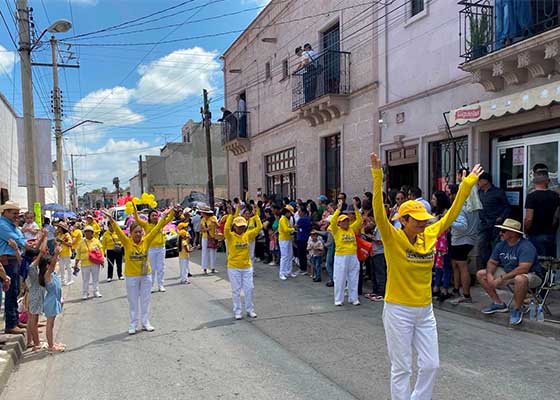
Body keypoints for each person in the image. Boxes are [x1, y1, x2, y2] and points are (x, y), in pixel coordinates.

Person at [371, 152, 483, 400]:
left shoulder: (429, 234)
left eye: (425, 220)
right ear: (404, 220)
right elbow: (379, 213)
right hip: (398, 309)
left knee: (431, 364)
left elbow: (452, 215)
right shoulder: (393, 238)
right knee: (402, 368)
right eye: (418, 221)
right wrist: (377, 176)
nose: (423, 224)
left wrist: (466, 186)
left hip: (424, 310)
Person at [104, 208, 175, 334]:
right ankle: (133, 324)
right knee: (133, 301)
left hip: (145, 275)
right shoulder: (126, 242)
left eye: (140, 232)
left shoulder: (146, 240)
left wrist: (163, 216)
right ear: (130, 233)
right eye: (135, 232)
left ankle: (145, 322)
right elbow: (117, 230)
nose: (138, 234)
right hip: (131, 276)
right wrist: (111, 218)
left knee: (145, 299)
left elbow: (156, 228)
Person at [476, 219, 545, 325]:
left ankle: (517, 309)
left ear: (513, 233)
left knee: (520, 279)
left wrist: (502, 278)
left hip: (532, 275)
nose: (500, 233)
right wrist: (489, 275)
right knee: (481, 274)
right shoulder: (501, 245)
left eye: (503, 231)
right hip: (509, 272)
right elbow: (492, 262)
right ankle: (498, 303)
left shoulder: (526, 246)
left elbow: (523, 268)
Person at [224, 204, 262, 319]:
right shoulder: (230, 236)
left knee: (249, 288)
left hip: (246, 267)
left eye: (242, 226)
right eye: (238, 226)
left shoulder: (247, 235)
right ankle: (237, 311)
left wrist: (256, 216)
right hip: (233, 267)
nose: (240, 228)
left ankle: (250, 310)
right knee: (236, 290)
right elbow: (226, 228)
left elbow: (258, 228)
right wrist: (231, 215)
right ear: (234, 226)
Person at [447, 184, 480, 304]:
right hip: (470, 240)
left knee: (462, 267)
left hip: (461, 240)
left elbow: (462, 226)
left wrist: (449, 222)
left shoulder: (461, 207)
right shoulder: (473, 207)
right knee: (457, 265)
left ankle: (466, 295)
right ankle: (457, 290)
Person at [0, 201, 27, 334]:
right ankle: (11, 324)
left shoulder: (10, 225)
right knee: (11, 291)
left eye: (17, 213)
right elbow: (18, 240)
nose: (17, 215)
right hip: (7, 261)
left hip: (12, 260)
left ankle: (15, 320)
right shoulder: (2, 225)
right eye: (14, 213)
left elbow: (21, 239)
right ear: (5, 212)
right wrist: (24, 243)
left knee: (15, 291)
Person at [329, 198, 363, 306]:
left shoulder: (351, 229)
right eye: (344, 221)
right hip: (341, 257)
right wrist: (338, 209)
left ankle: (354, 298)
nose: (346, 222)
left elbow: (359, 221)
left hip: (353, 256)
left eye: (347, 220)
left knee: (353, 277)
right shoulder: (336, 230)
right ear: (339, 223)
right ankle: (338, 299)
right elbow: (332, 221)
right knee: (340, 278)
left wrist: (356, 208)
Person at [478, 172, 511, 267]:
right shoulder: (479, 192)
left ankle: (494, 267)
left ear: (485, 181)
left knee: (495, 246)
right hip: (483, 223)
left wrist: (501, 217)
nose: (478, 183)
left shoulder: (498, 192)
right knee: (482, 245)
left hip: (495, 223)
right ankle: (484, 267)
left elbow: (507, 207)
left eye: (479, 181)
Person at [524, 170, 559, 257]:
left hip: (535, 233)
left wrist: (525, 230)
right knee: (550, 261)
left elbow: (529, 218)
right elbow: (556, 216)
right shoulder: (555, 196)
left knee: (536, 260)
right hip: (550, 233)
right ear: (547, 181)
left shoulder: (531, 197)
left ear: (534, 181)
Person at [133, 207, 168, 292]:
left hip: (161, 248)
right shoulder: (145, 224)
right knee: (151, 268)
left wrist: (172, 211)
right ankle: (150, 286)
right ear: (149, 217)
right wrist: (134, 209)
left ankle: (161, 285)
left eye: (156, 215)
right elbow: (137, 219)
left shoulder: (161, 223)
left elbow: (170, 218)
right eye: (153, 215)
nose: (155, 217)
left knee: (161, 268)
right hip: (151, 249)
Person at [39, 247, 65, 353]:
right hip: (51, 302)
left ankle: (52, 343)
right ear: (47, 266)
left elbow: (54, 264)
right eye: (51, 265)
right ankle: (51, 346)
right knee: (49, 325)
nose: (55, 265)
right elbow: (53, 264)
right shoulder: (47, 275)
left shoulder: (53, 274)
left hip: (55, 301)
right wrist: (56, 254)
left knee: (52, 324)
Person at [75, 225, 104, 300]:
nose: (87, 233)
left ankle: (96, 291)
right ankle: (85, 292)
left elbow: (101, 251)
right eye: (86, 232)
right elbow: (78, 253)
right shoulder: (81, 242)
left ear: (92, 233)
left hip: (95, 263)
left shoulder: (96, 241)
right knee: (85, 279)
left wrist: (102, 260)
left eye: (89, 232)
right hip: (85, 263)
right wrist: (76, 263)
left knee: (95, 278)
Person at [278, 205, 296, 280]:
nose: (291, 214)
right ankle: (282, 273)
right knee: (284, 256)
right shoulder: (283, 219)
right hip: (283, 240)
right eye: (290, 213)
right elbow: (285, 229)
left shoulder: (287, 219)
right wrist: (293, 229)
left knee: (290, 255)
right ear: (286, 212)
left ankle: (289, 271)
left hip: (288, 239)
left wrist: (292, 229)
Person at [200, 207, 219, 274]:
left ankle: (213, 267)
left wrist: (215, 223)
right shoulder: (202, 220)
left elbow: (218, 226)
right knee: (204, 252)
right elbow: (201, 229)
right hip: (205, 237)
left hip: (212, 237)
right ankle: (204, 268)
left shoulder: (213, 218)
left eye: (202, 212)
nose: (201, 213)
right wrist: (206, 229)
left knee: (212, 252)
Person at [296, 207, 312, 275]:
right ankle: (304, 268)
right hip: (306, 238)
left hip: (301, 238)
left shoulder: (302, 219)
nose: (298, 213)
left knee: (301, 254)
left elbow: (296, 226)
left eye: (299, 212)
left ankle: (303, 268)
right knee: (304, 254)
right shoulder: (308, 218)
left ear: (303, 212)